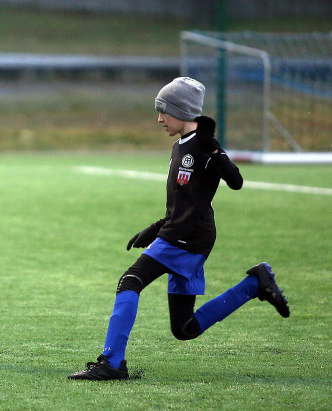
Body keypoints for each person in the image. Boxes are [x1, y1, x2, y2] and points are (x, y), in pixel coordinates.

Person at [68, 77, 290, 381]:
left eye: (164, 111)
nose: (160, 119)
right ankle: (254, 284)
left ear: (182, 111)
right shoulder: (180, 146)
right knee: (185, 328)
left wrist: (214, 150)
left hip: (187, 236)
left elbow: (236, 181)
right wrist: (154, 228)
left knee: (130, 281)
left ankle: (112, 362)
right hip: (187, 233)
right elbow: (186, 201)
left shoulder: (203, 145)